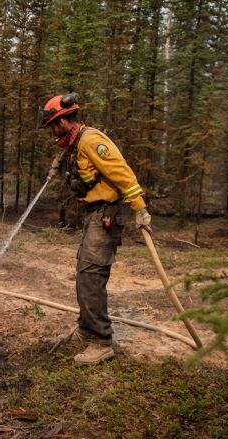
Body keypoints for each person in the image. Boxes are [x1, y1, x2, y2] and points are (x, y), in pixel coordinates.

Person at [41, 93, 151, 365]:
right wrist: (59, 161)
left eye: (54, 126)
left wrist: (140, 208)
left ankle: (101, 342)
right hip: (94, 213)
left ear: (65, 121)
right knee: (84, 270)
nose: (53, 132)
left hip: (107, 214)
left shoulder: (91, 141)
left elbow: (122, 173)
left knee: (91, 275)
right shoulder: (76, 142)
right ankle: (86, 330)